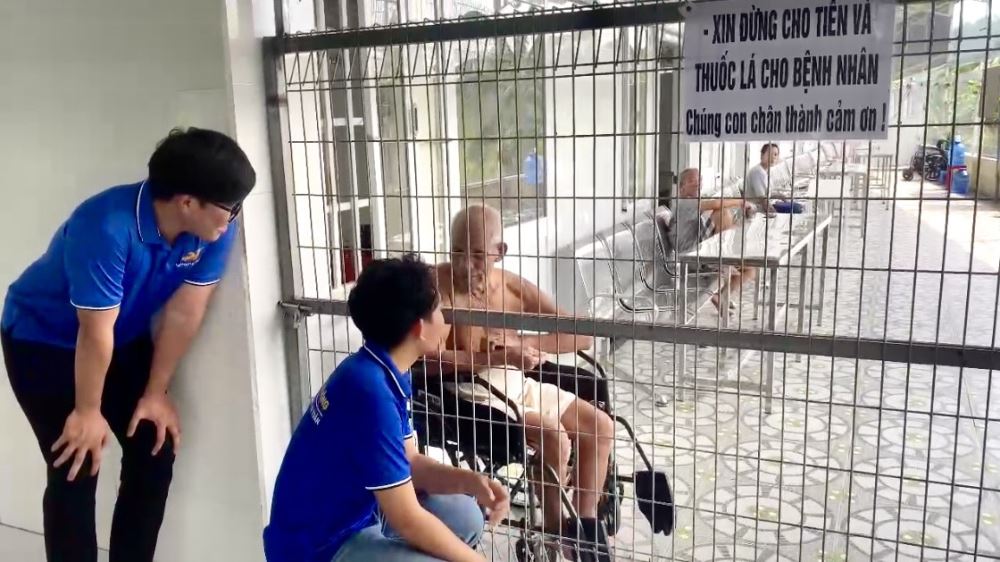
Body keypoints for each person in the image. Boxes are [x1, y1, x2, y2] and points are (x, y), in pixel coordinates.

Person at [0, 127, 256, 562]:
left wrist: (156, 392)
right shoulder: (105, 227)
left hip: (119, 337)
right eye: (230, 207)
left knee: (155, 447)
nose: (233, 217)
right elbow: (93, 331)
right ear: (187, 202)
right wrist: (87, 411)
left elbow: (184, 313)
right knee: (76, 462)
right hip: (42, 340)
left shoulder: (213, 230)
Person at [264, 255, 509, 562]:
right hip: (318, 547)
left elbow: (410, 462)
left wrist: (471, 481)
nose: (445, 318)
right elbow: (407, 519)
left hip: (358, 515)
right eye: (438, 309)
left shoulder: (383, 367)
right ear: (419, 328)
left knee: (464, 514)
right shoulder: (369, 392)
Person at [427, 204, 615, 553]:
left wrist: (524, 344)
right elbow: (428, 360)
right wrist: (498, 357)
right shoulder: (437, 286)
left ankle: (584, 528)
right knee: (554, 436)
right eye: (457, 252)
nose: (465, 265)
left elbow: (581, 334)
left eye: (478, 255)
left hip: (516, 379)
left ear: (500, 251)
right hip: (471, 392)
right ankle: (555, 531)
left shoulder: (510, 287)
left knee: (600, 426)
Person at [669, 167, 757, 313]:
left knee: (751, 269)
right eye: (691, 180)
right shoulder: (684, 203)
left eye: (699, 180)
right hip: (690, 256)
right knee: (722, 213)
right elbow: (716, 204)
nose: (697, 183)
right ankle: (726, 260)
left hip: (698, 249)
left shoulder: (694, 203)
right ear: (681, 188)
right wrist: (741, 202)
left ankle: (722, 296)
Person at [745, 143, 780, 211]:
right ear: (762, 155)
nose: (773, 157)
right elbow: (763, 199)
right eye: (769, 154)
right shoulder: (757, 171)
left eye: (775, 154)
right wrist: (775, 212)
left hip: (761, 209)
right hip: (755, 211)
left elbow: (767, 193)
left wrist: (780, 196)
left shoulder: (765, 171)